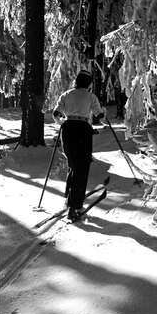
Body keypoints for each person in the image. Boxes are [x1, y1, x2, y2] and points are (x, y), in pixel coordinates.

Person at [53, 70, 105, 221]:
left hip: (68, 129)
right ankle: (75, 206)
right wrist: (103, 115)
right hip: (82, 130)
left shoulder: (67, 94)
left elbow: (56, 113)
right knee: (81, 169)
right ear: (88, 83)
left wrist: (62, 123)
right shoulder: (90, 96)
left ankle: (68, 198)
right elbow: (98, 114)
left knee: (73, 165)